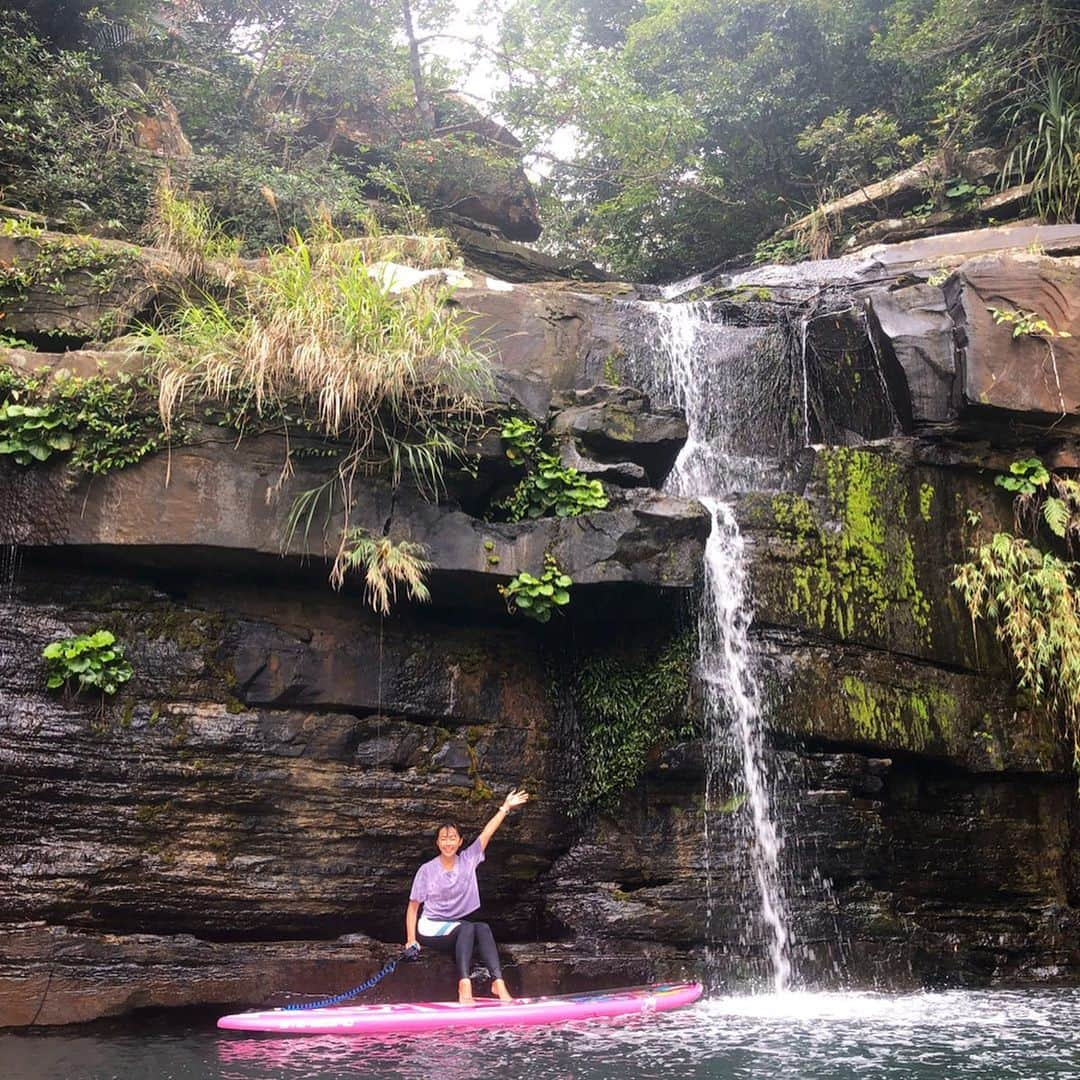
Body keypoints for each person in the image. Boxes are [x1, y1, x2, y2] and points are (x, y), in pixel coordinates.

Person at [405, 789, 530, 1004]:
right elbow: (413, 908)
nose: (448, 843)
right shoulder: (427, 870)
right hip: (431, 926)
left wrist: (505, 807)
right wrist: (411, 941)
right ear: (437, 843)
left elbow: (487, 833)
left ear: (460, 841)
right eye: (443, 839)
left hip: (454, 925)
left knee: (482, 927)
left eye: (452, 838)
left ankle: (498, 983)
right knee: (468, 927)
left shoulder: (468, 860)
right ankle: (464, 986)